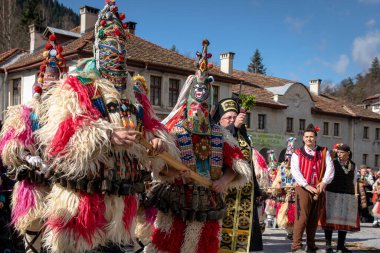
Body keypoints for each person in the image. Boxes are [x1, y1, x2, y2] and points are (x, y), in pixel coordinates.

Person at [36, 1, 177, 252]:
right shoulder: (78, 87)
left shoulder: (135, 95)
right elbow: (65, 133)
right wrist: (107, 135)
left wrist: (156, 141)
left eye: (120, 48)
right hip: (83, 201)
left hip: (122, 201)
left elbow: (153, 126)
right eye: (110, 48)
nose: (116, 54)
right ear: (98, 49)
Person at [145, 40, 251, 253]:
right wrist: (174, 170)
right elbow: (160, 167)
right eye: (194, 106)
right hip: (177, 197)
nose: (198, 111)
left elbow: (238, 164)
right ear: (186, 105)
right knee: (168, 242)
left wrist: (223, 180)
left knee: (204, 245)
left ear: (210, 108)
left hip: (208, 199)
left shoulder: (219, 135)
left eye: (203, 107)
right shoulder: (174, 132)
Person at [0, 34, 66, 253]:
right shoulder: (26, 114)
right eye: (48, 82)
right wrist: (29, 157)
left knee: (59, 242)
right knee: (33, 244)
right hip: (33, 187)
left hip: (60, 188)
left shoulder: (67, 117)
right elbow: (10, 145)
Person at [212, 97, 263, 252]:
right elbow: (221, 145)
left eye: (235, 117)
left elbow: (249, 164)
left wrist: (258, 190)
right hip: (225, 191)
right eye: (228, 117)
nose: (232, 120)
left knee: (246, 240)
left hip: (246, 196)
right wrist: (233, 127)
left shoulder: (243, 136)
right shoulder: (215, 134)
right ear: (219, 121)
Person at [290, 123, 334, 253]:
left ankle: (311, 246)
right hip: (303, 188)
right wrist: (307, 186)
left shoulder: (324, 152)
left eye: (311, 137)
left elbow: (330, 168)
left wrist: (324, 182)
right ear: (303, 138)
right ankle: (296, 246)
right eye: (306, 137)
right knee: (302, 217)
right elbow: (295, 172)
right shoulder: (297, 153)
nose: (309, 139)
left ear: (315, 138)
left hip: (319, 188)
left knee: (314, 219)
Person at [320, 144, 359, 253]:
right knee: (330, 221)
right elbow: (327, 178)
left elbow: (354, 180)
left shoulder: (354, 165)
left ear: (348, 153)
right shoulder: (332, 163)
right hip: (333, 193)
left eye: (341, 152)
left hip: (348, 194)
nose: (339, 154)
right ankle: (328, 246)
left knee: (344, 221)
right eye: (338, 152)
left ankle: (341, 246)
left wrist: (355, 194)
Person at [271, 137, 297, 241]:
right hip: (284, 194)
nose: (288, 160)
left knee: (295, 215)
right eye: (287, 157)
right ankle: (289, 232)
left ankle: (295, 232)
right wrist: (277, 185)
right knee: (285, 214)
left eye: (290, 157)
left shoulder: (297, 167)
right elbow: (277, 179)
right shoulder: (281, 167)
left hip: (295, 194)